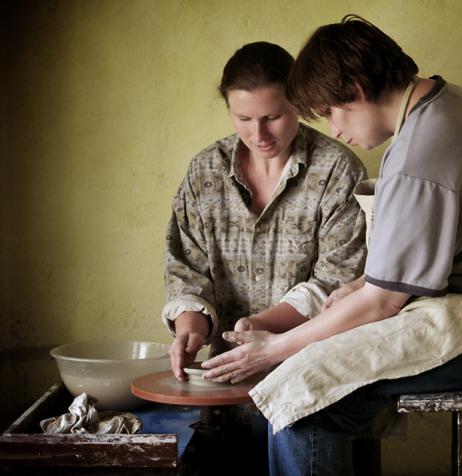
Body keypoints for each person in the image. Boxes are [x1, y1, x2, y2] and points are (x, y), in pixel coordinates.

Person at [202, 16, 462, 476]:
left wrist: (276, 348)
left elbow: (384, 302)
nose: (334, 129)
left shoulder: (421, 152)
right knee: (313, 375)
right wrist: (356, 287)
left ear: (355, 90)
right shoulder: (447, 104)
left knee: (300, 392)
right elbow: (417, 259)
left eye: (331, 112)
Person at [161, 41, 368, 472]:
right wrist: (190, 329)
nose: (259, 135)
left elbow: (339, 281)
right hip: (222, 389)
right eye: (243, 119)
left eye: (273, 117)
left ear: (299, 104)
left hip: (312, 387)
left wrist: (263, 326)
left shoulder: (337, 171)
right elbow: (187, 269)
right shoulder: (204, 173)